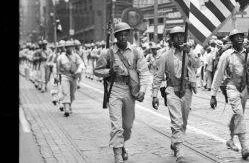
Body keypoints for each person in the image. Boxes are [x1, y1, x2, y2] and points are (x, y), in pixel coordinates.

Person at [94, 22, 150, 163]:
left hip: (130, 89)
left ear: (129, 35)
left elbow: (144, 72)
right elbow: (96, 71)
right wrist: (109, 71)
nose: (123, 37)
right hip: (114, 89)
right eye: (120, 35)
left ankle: (122, 144)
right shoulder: (107, 53)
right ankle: (117, 154)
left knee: (127, 126)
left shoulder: (136, 52)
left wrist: (142, 90)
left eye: (126, 34)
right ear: (116, 36)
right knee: (117, 125)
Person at [151, 26, 200, 163]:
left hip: (187, 90)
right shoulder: (165, 56)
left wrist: (189, 52)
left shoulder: (189, 53)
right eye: (176, 36)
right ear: (171, 40)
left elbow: (198, 64)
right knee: (176, 121)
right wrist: (154, 94)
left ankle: (175, 141)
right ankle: (180, 152)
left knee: (183, 121)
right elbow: (158, 76)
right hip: (172, 90)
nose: (179, 39)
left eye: (181, 36)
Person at [210, 29, 249, 159]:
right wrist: (213, 94)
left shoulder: (248, 52)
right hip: (232, 86)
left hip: (245, 88)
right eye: (236, 37)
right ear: (231, 40)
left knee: (238, 115)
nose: (239, 39)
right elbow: (219, 74)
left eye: (241, 37)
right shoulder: (226, 55)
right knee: (239, 113)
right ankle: (244, 147)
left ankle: (230, 140)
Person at [56, 40, 85, 117]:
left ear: (73, 47)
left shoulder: (76, 56)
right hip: (65, 76)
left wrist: (78, 71)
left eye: (71, 47)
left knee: (72, 94)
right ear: (65, 48)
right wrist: (57, 77)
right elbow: (58, 68)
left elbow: (81, 64)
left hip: (74, 77)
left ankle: (69, 105)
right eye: (68, 47)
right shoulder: (61, 57)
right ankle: (66, 109)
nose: (69, 48)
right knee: (66, 92)